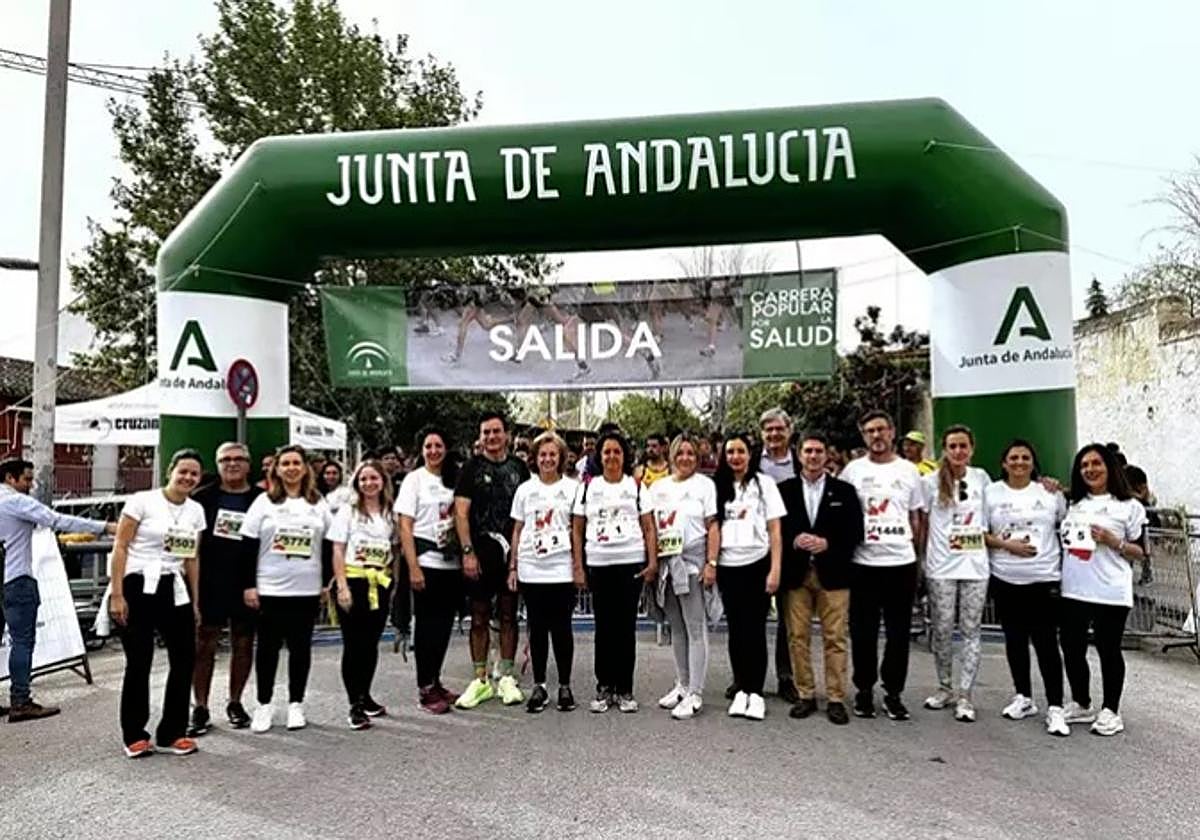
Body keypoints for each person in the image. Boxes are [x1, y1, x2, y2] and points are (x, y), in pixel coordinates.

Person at [108, 450, 207, 757]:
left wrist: (195, 602)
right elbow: (121, 546)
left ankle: (173, 731)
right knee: (140, 660)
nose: (188, 478)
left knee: (184, 658)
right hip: (138, 584)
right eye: (183, 471)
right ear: (170, 471)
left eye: (194, 474)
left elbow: (191, 558)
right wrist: (117, 593)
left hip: (174, 587)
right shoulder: (143, 501)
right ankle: (134, 734)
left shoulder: (196, 511)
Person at [0, 459, 114, 722]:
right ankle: (21, 701)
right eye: (26, 479)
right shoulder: (16, 502)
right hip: (16, 579)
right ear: (10, 477)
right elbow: (56, 519)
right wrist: (104, 527)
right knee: (22, 642)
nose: (30, 485)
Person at [839, 410, 925, 721]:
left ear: (892, 432)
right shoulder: (853, 471)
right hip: (863, 563)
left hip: (900, 563)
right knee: (863, 632)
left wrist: (917, 555)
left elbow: (917, 517)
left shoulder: (909, 471)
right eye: (870, 431)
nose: (876, 436)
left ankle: (893, 692)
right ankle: (864, 690)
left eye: (881, 429)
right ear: (864, 436)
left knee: (899, 633)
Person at [241, 445, 333, 733]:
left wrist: (326, 582)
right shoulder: (263, 503)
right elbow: (247, 546)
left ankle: (296, 704)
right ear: (276, 469)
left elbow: (330, 545)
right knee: (267, 649)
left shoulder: (318, 502)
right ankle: (264, 705)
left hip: (306, 588)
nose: (291, 468)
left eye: (297, 463)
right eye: (286, 464)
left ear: (305, 468)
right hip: (270, 588)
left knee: (300, 648)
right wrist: (249, 585)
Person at [1058, 443, 1147, 736]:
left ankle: (1111, 710)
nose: (1090, 470)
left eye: (1096, 463)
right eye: (1084, 465)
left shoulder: (1129, 506)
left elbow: (1141, 552)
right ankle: (1082, 702)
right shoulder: (1074, 504)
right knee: (1071, 649)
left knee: (1109, 650)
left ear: (1109, 467)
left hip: (1110, 590)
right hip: (1074, 589)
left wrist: (1113, 541)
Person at [983, 439, 1069, 736]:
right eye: (1013, 458)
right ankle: (1024, 697)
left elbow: (1066, 525)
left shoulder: (1049, 493)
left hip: (1043, 577)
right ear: (1004, 463)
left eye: (1025, 458)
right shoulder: (991, 493)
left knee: (1046, 643)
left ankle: (1056, 707)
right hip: (1005, 577)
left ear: (1033, 463)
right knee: (1014, 640)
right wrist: (1007, 545)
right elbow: (980, 533)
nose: (1019, 462)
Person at [776, 432, 863, 725]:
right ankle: (806, 694)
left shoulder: (845, 491)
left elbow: (855, 533)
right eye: (808, 451)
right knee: (797, 637)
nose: (813, 456)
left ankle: (836, 697)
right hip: (796, 575)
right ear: (799, 455)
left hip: (834, 573)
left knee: (835, 637)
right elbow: (774, 530)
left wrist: (828, 544)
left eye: (818, 451)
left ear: (827, 455)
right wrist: (794, 539)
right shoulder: (784, 490)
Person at [572, 429, 658, 713]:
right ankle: (604, 686)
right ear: (599, 456)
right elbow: (577, 528)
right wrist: (578, 566)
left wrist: (652, 561)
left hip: (630, 562)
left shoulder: (635, 487)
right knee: (604, 628)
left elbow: (648, 526)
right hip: (599, 563)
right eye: (606, 451)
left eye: (616, 451)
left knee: (625, 628)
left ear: (624, 456)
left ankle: (624, 688)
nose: (611, 456)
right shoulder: (587, 487)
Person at [453, 412, 530, 708]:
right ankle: (480, 679)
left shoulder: (519, 468)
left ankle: (507, 677)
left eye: (496, 432)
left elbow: (525, 512)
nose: (491, 437)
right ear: (480, 436)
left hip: (511, 552)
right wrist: (468, 551)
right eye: (486, 432)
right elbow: (460, 513)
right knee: (480, 616)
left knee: (509, 614)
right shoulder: (471, 468)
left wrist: (521, 553)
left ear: (507, 435)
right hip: (480, 552)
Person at [707, 431, 784, 721]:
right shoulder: (718, 486)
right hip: (729, 567)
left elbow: (775, 530)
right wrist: (712, 564)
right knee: (737, 630)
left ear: (750, 454)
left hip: (758, 565)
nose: (735, 457)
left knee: (755, 629)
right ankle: (741, 687)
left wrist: (775, 569)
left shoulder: (764, 485)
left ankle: (756, 692)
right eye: (730, 452)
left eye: (740, 451)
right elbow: (713, 527)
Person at [918, 425, 992, 722]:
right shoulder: (929, 482)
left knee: (972, 630)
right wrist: (920, 560)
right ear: (944, 449)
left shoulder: (982, 478)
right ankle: (944, 686)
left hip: (975, 566)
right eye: (952, 446)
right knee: (943, 629)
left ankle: (966, 695)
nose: (958, 451)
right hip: (941, 566)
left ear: (972, 448)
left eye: (963, 446)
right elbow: (922, 522)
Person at [188, 442, 263, 735]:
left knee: (243, 642)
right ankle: (200, 706)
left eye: (238, 459)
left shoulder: (262, 499)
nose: (232, 464)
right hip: (210, 582)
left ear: (248, 463)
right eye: (225, 459)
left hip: (247, 582)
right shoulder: (202, 499)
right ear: (217, 464)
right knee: (204, 644)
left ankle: (235, 702)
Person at [507, 432, 582, 713]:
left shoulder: (573, 489)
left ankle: (564, 685)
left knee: (562, 628)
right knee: (536, 628)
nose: (548, 459)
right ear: (535, 459)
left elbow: (577, 530)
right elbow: (517, 530)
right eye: (543, 455)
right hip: (531, 567)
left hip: (561, 567)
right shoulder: (525, 490)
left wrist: (577, 566)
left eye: (553, 454)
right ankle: (539, 686)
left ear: (561, 458)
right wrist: (513, 566)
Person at [649, 432, 719, 720]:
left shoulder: (705, 485)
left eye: (690, 453)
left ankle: (696, 692)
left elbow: (712, 526)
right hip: (668, 564)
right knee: (675, 627)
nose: (685, 458)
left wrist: (711, 563)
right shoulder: (659, 487)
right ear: (672, 456)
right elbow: (652, 527)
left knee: (695, 628)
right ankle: (682, 683)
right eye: (680, 453)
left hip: (693, 564)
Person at [396, 427, 462, 714]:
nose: (433, 451)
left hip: (451, 563)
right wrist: (413, 567)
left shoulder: (455, 479)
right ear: (421, 450)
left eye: (438, 445)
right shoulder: (414, 480)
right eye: (428, 446)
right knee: (426, 627)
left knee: (444, 626)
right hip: (426, 562)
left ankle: (435, 680)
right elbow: (405, 526)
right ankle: (424, 687)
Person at [329, 460, 395, 729]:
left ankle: (365, 694)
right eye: (363, 479)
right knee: (354, 644)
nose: (369, 483)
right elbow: (337, 549)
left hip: (379, 582)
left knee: (370, 643)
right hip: (353, 581)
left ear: (383, 481)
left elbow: (394, 549)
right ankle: (353, 703)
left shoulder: (391, 513)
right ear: (356, 482)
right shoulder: (347, 512)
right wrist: (342, 586)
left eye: (374, 478)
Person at [757, 407, 798, 702]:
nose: (774, 435)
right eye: (769, 430)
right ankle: (749, 677)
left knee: (789, 620)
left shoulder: (802, 462)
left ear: (789, 431)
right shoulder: (749, 462)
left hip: (791, 550)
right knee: (751, 619)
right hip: (754, 549)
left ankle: (787, 677)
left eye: (779, 429)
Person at [1124, 465, 1159, 585]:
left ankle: (1146, 575)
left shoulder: (1141, 497)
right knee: (1133, 550)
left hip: (1143, 525)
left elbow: (1146, 500)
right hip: (1136, 526)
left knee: (1143, 551)